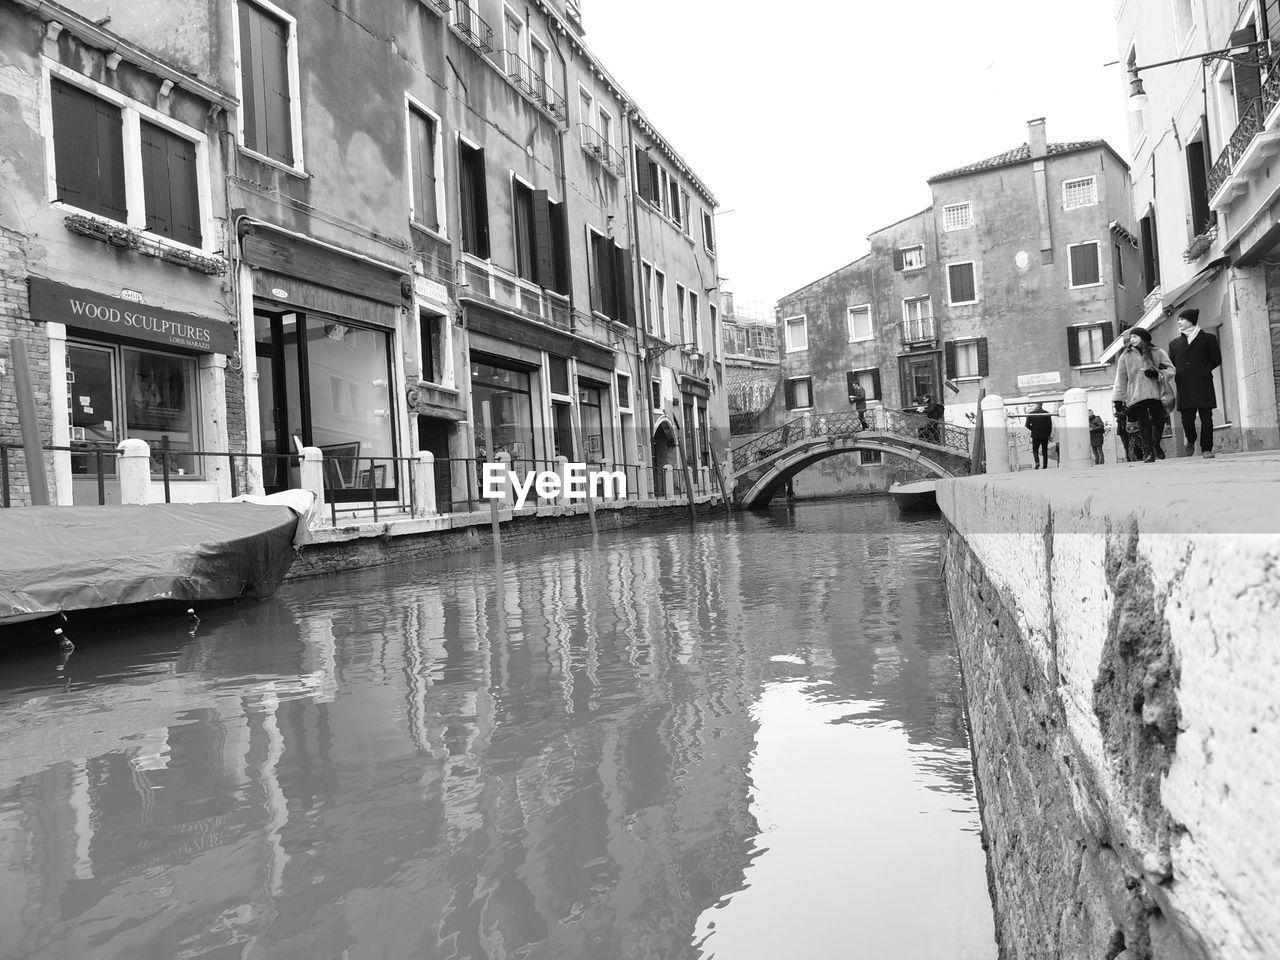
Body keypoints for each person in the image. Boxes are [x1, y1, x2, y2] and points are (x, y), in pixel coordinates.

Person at [1168, 307, 1223, 459]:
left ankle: (1207, 448)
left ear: (1191, 320)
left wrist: (1203, 369)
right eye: (1178, 320)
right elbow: (1171, 364)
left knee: (1206, 417)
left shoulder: (1209, 339)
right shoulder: (1174, 344)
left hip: (1203, 382)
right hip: (1184, 385)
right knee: (1187, 419)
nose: (1179, 322)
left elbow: (1216, 359)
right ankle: (1191, 439)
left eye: (1182, 319)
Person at [1113, 327, 1173, 463]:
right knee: (1144, 423)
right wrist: (1118, 400)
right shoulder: (1125, 355)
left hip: (1155, 394)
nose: (1132, 339)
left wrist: (1157, 374)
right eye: (1131, 337)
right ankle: (1148, 452)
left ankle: (1155, 444)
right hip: (1136, 395)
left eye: (1135, 336)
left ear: (1143, 338)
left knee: (1159, 421)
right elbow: (1120, 379)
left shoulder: (1157, 352)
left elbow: (1170, 369)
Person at [1025, 402, 1053, 469]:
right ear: (1041, 405)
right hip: (1044, 435)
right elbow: (1049, 426)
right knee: (1044, 450)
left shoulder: (1031, 414)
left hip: (1035, 435)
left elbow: (1027, 425)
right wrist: (1048, 435)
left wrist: (1033, 429)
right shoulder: (1046, 413)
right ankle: (1045, 465)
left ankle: (1037, 463)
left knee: (1035, 450)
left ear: (1036, 405)